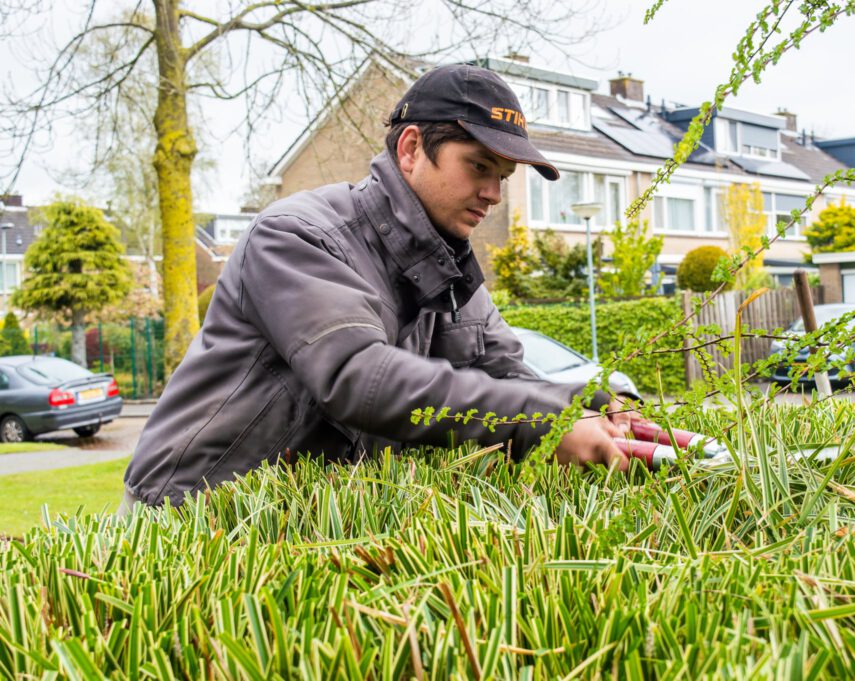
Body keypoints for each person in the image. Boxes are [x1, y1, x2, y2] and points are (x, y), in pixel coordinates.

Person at [120, 64, 635, 514]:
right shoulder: (297, 236)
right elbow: (358, 377)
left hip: (304, 519)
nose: (493, 195)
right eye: (479, 166)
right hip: (188, 513)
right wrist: (537, 419)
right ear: (411, 149)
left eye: (502, 176)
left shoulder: (453, 275)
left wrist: (592, 402)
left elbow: (505, 373)